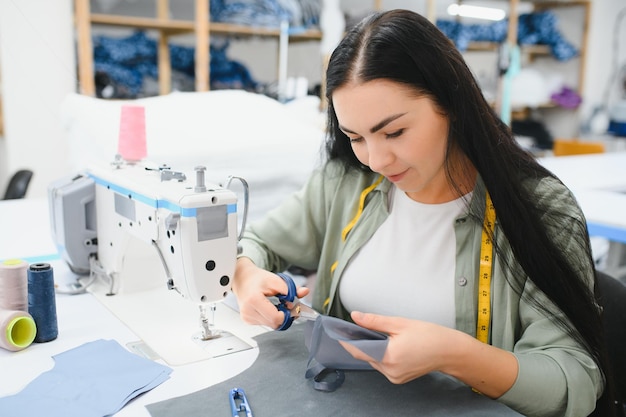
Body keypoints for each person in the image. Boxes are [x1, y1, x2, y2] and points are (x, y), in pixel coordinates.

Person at [232, 9, 619, 417]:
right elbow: (255, 243)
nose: (377, 159)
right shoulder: (346, 181)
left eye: (394, 132)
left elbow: (573, 381)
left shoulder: (540, 210)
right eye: (355, 137)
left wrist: (453, 354)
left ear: (450, 103)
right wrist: (245, 277)